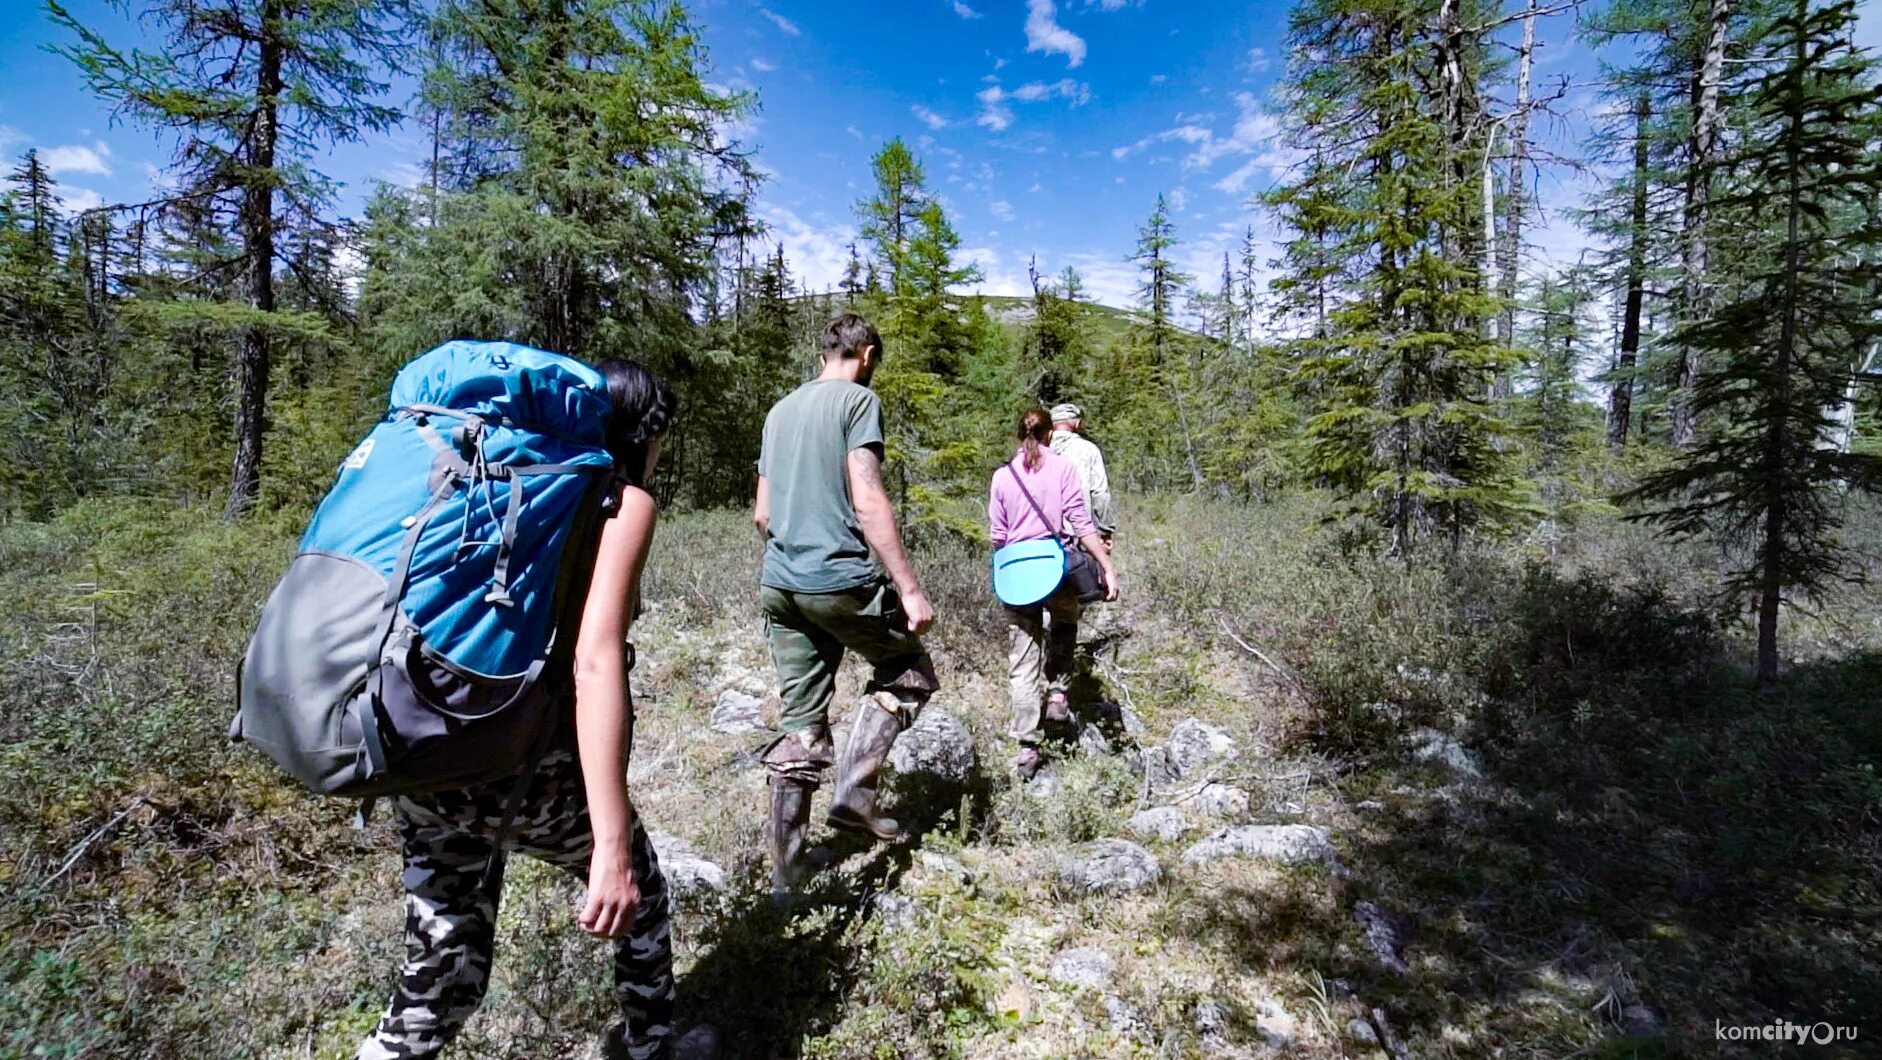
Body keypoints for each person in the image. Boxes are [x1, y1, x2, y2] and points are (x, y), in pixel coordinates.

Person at [358, 361, 678, 1060]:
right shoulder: (617, 502)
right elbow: (595, 665)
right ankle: (654, 1047)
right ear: (646, 432)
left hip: (421, 741)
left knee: (440, 967)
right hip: (510, 763)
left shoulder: (497, 481)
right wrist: (612, 844)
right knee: (643, 896)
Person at [752, 313, 938, 897]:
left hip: (780, 584)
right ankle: (855, 796)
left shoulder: (780, 412)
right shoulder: (857, 402)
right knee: (910, 670)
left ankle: (786, 878)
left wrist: (796, 558)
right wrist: (907, 586)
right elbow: (867, 495)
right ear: (867, 355)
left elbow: (762, 514)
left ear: (821, 356)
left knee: (802, 721)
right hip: (837, 580)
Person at [989, 408, 1119, 779]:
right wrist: (1106, 567)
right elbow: (1081, 522)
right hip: (1053, 566)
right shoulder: (1063, 468)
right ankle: (1059, 692)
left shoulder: (1002, 477)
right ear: (1049, 435)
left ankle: (1028, 746)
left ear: (1020, 436)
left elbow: (998, 535)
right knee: (1065, 619)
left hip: (1015, 573)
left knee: (1022, 660)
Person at [1048, 403, 1117, 551]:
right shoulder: (1089, 450)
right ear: (1077, 423)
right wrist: (1105, 531)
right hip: (1080, 534)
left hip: (1043, 536)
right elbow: (1100, 494)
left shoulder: (1036, 451)